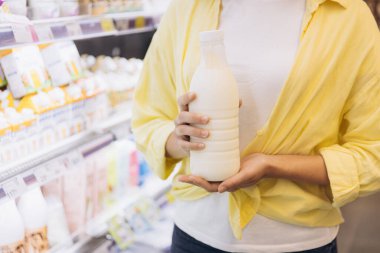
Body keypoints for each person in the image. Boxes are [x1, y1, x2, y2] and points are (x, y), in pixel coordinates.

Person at [132, 0, 380, 252]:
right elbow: (149, 117)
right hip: (194, 235)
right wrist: (182, 140)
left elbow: (373, 152)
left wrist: (272, 165)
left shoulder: (348, 15)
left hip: (297, 241)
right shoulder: (188, 7)